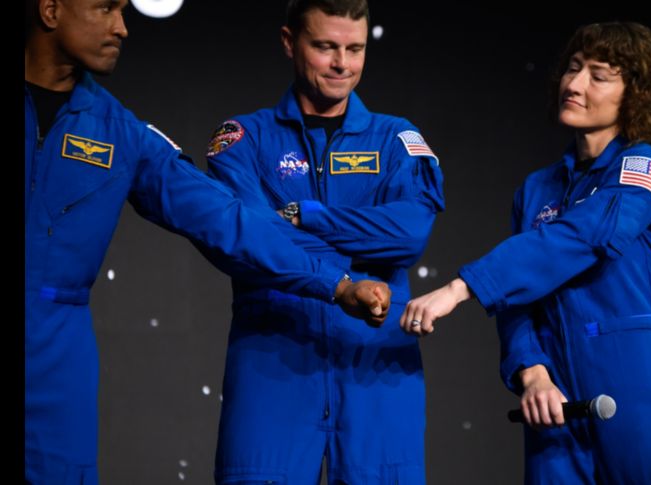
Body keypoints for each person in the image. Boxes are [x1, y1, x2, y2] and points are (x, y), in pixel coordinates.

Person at [24, 0, 393, 483]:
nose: (123, 27)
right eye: (105, 8)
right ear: (51, 10)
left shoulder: (122, 135)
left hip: (56, 349)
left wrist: (337, 283)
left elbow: (227, 220)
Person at [401, 21, 651, 484]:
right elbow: (519, 302)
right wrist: (532, 372)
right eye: (573, 69)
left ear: (635, 95)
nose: (575, 84)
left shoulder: (646, 169)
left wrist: (461, 287)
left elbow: (580, 238)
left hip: (635, 384)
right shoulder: (535, 189)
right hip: (554, 402)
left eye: (599, 76)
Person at [203, 0, 445, 482]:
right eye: (325, 47)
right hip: (273, 364)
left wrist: (305, 216)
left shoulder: (396, 138)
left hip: (376, 364)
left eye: (355, 49)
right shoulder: (243, 139)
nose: (342, 64)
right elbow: (252, 240)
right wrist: (346, 269)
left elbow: (409, 235)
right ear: (290, 42)